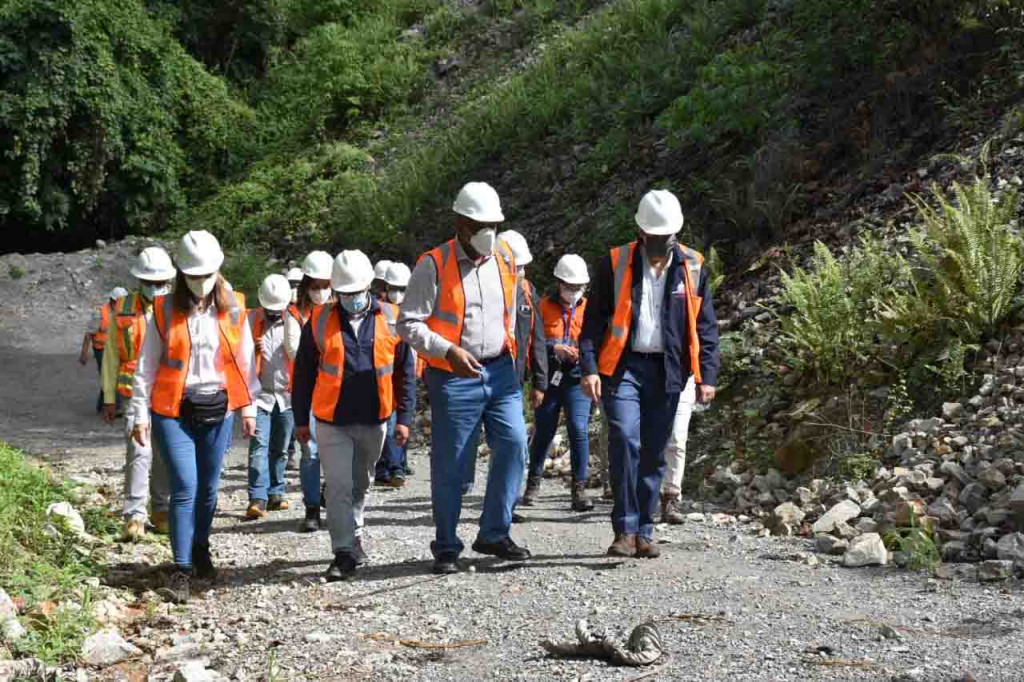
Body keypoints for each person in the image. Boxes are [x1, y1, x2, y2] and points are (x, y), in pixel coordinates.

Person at [398, 181, 531, 575]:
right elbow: (408, 324)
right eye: (480, 224)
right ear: (460, 221)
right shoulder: (433, 264)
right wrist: (447, 351)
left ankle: (493, 532)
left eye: (493, 223)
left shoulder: (506, 256)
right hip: (455, 377)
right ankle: (446, 544)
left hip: (501, 370)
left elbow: (515, 311)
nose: (488, 231)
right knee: (453, 462)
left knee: (514, 446)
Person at [579, 190, 720, 559]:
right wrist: (590, 368)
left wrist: (708, 375)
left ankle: (644, 529)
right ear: (640, 232)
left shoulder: (693, 267)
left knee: (655, 453)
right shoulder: (615, 262)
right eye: (653, 238)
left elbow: (706, 328)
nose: (659, 244)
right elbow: (592, 322)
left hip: (669, 370)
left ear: (675, 234)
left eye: (665, 238)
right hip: (623, 367)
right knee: (626, 439)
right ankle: (624, 530)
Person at [131, 230, 259, 603]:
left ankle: (201, 546)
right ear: (181, 274)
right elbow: (146, 366)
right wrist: (139, 414)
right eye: (193, 276)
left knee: (208, 489)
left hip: (218, 409)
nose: (201, 283)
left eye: (207, 275)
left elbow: (247, 362)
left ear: (218, 270)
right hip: (173, 410)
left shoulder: (235, 307)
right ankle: (182, 566)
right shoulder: (164, 309)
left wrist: (248, 407)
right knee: (185, 486)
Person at [292, 250, 416, 582]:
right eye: (344, 293)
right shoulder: (318, 321)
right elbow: (303, 374)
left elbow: (405, 372)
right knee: (338, 485)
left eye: (356, 292)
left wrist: (404, 418)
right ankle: (343, 551)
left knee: (361, 483)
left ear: (369, 287)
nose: (351, 298)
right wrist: (301, 420)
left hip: (375, 419)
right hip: (331, 420)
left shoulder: (392, 318)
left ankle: (355, 532)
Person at [461, 230, 547, 497]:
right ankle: (461, 485)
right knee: (467, 438)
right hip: (473, 375)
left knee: (513, 443)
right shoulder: (477, 286)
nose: (519, 272)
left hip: (512, 380)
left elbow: (537, 337)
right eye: (515, 266)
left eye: (522, 267)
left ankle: (505, 504)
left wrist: (540, 382)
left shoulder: (528, 291)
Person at [100, 249, 173, 541]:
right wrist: (108, 397)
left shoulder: (175, 308)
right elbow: (111, 355)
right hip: (133, 395)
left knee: (164, 454)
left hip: (168, 394)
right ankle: (134, 516)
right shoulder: (123, 308)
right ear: (139, 280)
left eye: (160, 282)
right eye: (149, 281)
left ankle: (161, 510)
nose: (155, 287)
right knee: (140, 452)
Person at [522, 254, 594, 512]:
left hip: (578, 379)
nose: (573, 292)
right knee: (544, 430)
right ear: (559, 283)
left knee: (578, 429)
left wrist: (581, 356)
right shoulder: (542, 307)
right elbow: (533, 342)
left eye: (578, 287)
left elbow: (597, 341)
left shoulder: (590, 308)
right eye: (569, 286)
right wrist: (555, 348)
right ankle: (533, 483)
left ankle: (579, 488)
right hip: (549, 379)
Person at [286, 251, 334, 532]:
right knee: (311, 454)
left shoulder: (342, 312)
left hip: (338, 394)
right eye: (314, 285)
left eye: (324, 284)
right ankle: (312, 508)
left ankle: (330, 493)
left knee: (340, 455)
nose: (320, 291)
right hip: (309, 394)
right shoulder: (295, 314)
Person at [245, 274, 296, 520]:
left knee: (281, 447)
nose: (274, 313)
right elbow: (235, 355)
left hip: (287, 395)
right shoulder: (250, 319)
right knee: (259, 446)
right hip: (259, 395)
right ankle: (257, 497)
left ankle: (276, 491)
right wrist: (250, 350)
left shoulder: (295, 321)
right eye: (270, 309)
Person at [374, 262, 415, 487]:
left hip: (405, 372)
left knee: (402, 420)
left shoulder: (413, 309)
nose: (398, 294)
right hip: (384, 376)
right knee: (388, 424)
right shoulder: (379, 311)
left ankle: (398, 463)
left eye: (402, 289)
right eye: (394, 288)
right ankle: (392, 466)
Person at [81, 287, 127, 412]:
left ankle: (102, 406)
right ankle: (114, 408)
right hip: (101, 350)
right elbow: (88, 335)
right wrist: (84, 354)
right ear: (112, 300)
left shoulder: (124, 312)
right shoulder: (100, 313)